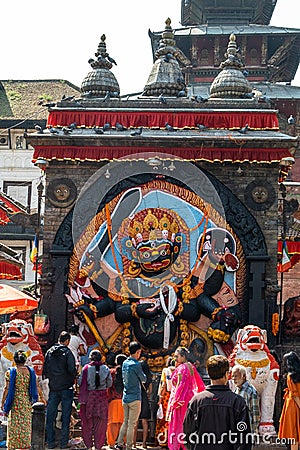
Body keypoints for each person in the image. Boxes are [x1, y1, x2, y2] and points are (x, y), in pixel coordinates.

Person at [184, 355, 251, 450]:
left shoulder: (196, 401)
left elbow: (187, 433)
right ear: (227, 374)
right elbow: (244, 439)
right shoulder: (238, 402)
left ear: (208, 373)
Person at [1, 350, 43, 450]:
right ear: (25, 360)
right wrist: (42, 398)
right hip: (27, 402)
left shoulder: (10, 372)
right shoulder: (31, 372)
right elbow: (37, 386)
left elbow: (7, 388)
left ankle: (13, 445)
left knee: (14, 425)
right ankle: (25, 445)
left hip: (15, 402)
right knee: (25, 424)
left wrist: (3, 401)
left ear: (15, 360)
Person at [43, 331, 77, 450]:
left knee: (51, 415)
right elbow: (72, 369)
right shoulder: (68, 352)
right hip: (66, 388)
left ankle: (50, 442)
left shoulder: (49, 352)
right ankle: (63, 442)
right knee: (66, 415)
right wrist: (72, 378)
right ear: (67, 341)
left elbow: (45, 369)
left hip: (54, 388)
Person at [166, 347, 205, 450]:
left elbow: (180, 385)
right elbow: (199, 384)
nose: (175, 358)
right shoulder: (191, 366)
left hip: (181, 400)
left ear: (183, 356)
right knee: (187, 424)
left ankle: (177, 446)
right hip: (189, 399)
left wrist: (176, 401)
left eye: (177, 356)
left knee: (178, 424)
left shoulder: (182, 368)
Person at [78, 349, 112, 450]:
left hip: (89, 398)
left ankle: (89, 445)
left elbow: (80, 382)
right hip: (101, 398)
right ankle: (98, 446)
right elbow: (109, 383)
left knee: (87, 423)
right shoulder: (106, 369)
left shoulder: (86, 368)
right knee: (101, 423)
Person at [115, 341, 147, 450]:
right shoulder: (136, 365)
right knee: (132, 424)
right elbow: (143, 378)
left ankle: (119, 443)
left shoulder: (125, 363)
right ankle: (128, 446)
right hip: (135, 398)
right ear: (137, 352)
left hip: (126, 397)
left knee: (126, 421)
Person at [278, 351, 300, 450]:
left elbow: (295, 395)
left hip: (292, 405)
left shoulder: (290, 376)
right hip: (295, 403)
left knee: (293, 433)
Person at [231, 364, 260, 434]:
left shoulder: (250, 391)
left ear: (243, 377)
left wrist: (254, 431)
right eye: (232, 376)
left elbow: (255, 413)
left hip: (248, 430)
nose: (234, 378)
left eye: (236, 376)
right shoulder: (236, 390)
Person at [107, 354, 127, 448]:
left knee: (112, 424)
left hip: (113, 401)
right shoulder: (127, 372)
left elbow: (108, 387)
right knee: (123, 423)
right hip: (124, 401)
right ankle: (122, 442)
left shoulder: (111, 372)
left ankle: (111, 443)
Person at [155, 356, 175, 447]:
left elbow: (163, 385)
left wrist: (160, 398)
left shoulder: (166, 371)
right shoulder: (178, 370)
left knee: (163, 419)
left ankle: (162, 440)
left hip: (166, 397)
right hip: (175, 396)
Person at [133, 359, 153, 450]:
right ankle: (144, 443)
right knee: (145, 421)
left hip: (137, 397)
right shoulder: (149, 377)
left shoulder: (137, 376)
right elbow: (150, 391)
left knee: (135, 421)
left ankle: (134, 443)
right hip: (145, 398)